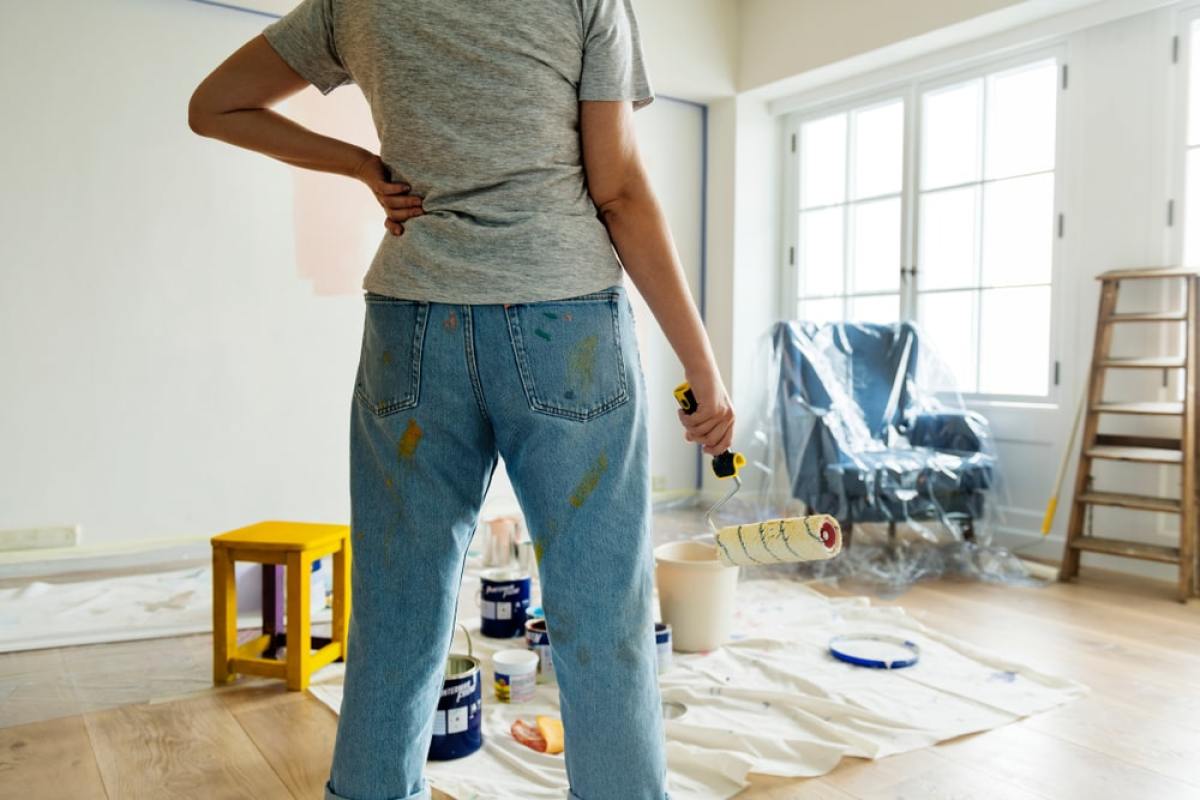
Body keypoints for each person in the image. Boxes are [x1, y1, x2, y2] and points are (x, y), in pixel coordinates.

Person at [188, 1, 734, 798]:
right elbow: (616, 192)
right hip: (566, 323)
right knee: (601, 618)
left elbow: (214, 106)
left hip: (412, 327)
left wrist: (360, 166)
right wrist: (702, 364)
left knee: (396, 617)